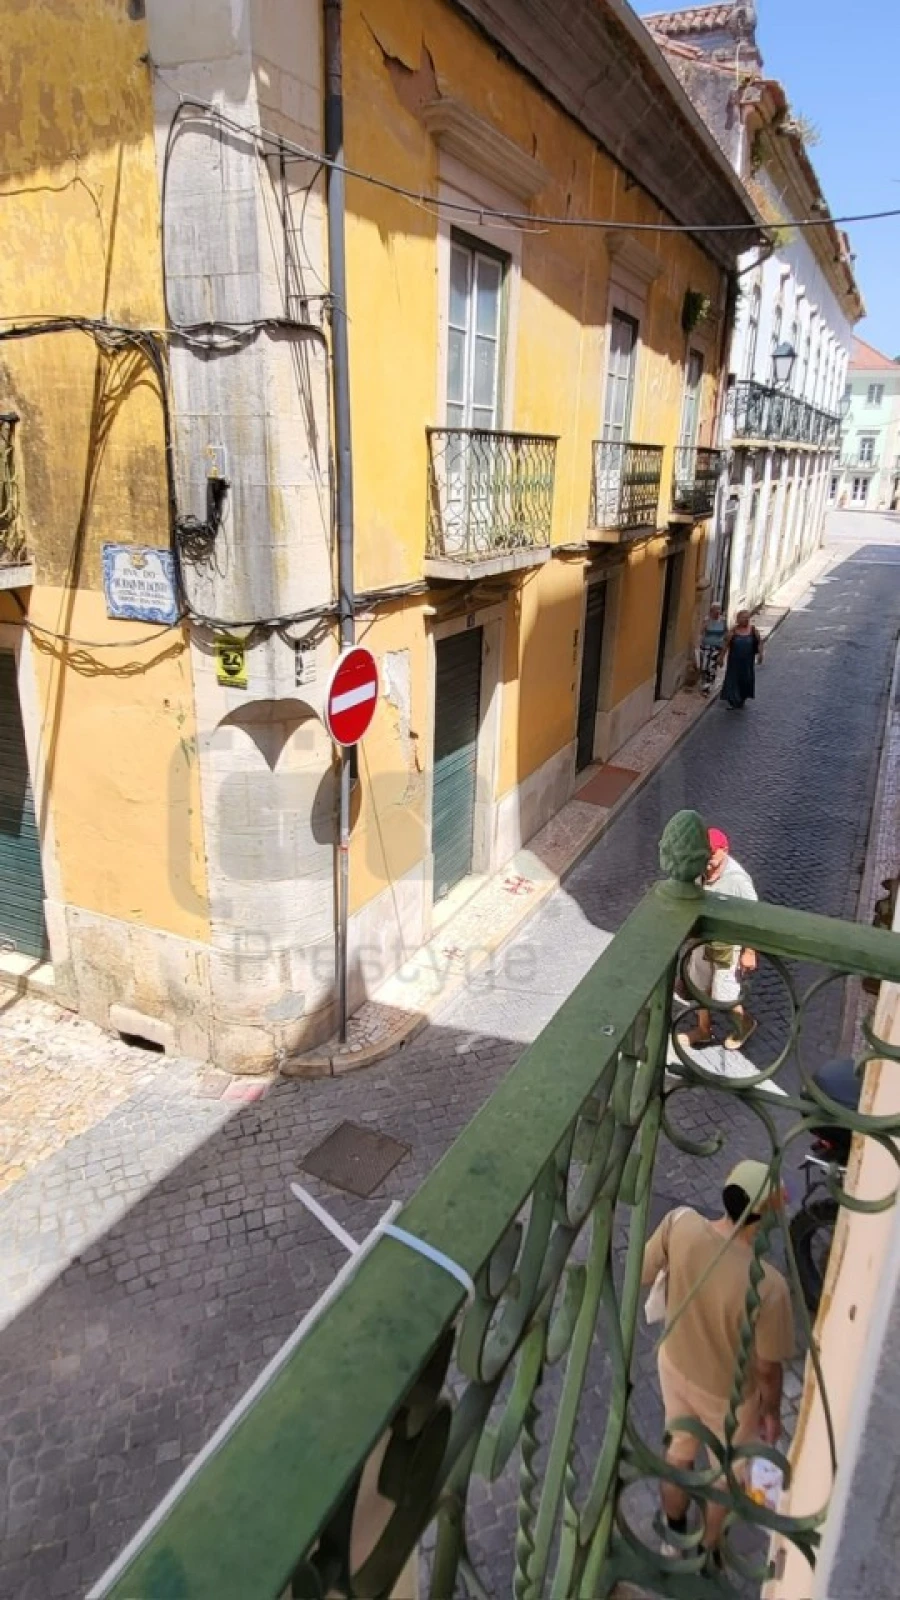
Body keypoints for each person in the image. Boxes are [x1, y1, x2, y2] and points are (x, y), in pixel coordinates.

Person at [641, 1160, 794, 1559]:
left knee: (678, 1454)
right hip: (728, 1397)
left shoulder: (680, 1223)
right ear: (762, 1216)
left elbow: (642, 1273)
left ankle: (673, 1534)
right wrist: (772, 1412)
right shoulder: (769, 1286)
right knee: (725, 1479)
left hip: (674, 1365)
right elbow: (766, 1367)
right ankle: (709, 1553)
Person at [677, 827, 758, 1051]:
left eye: (712, 854)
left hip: (727, 944)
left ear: (725, 850)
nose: (708, 860)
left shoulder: (738, 880)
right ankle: (703, 1030)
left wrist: (749, 951)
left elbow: (755, 917)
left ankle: (745, 1024)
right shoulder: (698, 869)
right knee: (698, 986)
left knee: (725, 996)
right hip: (701, 940)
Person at [721, 610, 763, 709]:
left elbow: (760, 642)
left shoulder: (753, 630)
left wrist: (761, 654)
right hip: (734, 661)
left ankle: (742, 699)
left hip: (747, 661)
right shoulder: (733, 631)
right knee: (733, 679)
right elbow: (726, 645)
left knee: (746, 679)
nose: (746, 620)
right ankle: (733, 700)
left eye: (747, 618)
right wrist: (721, 657)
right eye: (744, 618)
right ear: (738, 619)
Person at [696, 602, 727, 695]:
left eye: (719, 609)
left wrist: (723, 650)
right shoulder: (707, 620)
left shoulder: (722, 621)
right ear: (711, 610)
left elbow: (725, 634)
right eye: (715, 609)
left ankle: (707, 687)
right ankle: (704, 683)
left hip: (716, 648)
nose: (717, 611)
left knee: (712, 667)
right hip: (705, 647)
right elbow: (701, 632)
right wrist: (697, 644)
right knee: (704, 666)